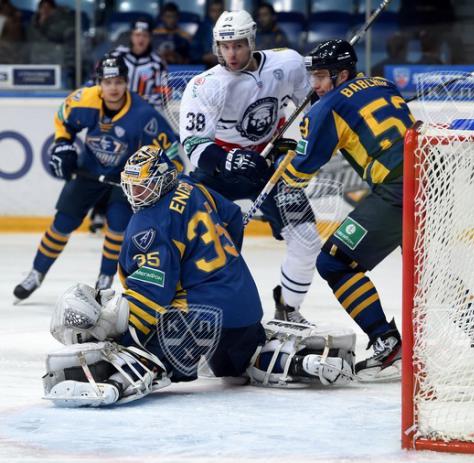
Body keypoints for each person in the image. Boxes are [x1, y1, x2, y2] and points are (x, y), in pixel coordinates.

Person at [41, 146, 355, 407]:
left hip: (199, 318)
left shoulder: (147, 225)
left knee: (146, 353)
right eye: (132, 186)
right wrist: (221, 267)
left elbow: (151, 297)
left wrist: (122, 337)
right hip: (244, 306)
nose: (136, 193)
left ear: (161, 180)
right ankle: (302, 363)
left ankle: (113, 382)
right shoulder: (193, 188)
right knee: (244, 361)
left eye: (143, 185)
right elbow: (232, 216)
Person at [280, 40, 416, 382]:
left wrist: (281, 161)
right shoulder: (383, 84)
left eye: (322, 77)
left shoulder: (328, 107)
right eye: (312, 77)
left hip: (398, 190)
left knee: (334, 261)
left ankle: (387, 342)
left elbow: (302, 170)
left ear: (342, 74)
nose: (316, 85)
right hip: (430, 180)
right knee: (429, 274)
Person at [179, 10, 322, 324]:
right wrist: (231, 159)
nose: (231, 54)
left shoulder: (288, 63)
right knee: (194, 241)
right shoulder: (204, 85)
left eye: (238, 45)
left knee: (307, 238)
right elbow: (194, 145)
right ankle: (192, 312)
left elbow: (313, 107)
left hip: (267, 164)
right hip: (218, 170)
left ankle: (288, 307)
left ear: (252, 40)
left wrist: (296, 142)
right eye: (224, 46)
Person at [13, 53, 179, 302]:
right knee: (62, 223)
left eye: (119, 81)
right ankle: (36, 272)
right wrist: (62, 144)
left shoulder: (144, 115)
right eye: (108, 82)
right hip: (88, 171)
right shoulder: (85, 99)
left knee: (117, 227)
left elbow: (171, 150)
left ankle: (104, 279)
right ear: (99, 82)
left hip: (125, 179)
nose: (113, 88)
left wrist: (154, 177)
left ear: (126, 83)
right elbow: (62, 118)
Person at [88, 18, 172, 234]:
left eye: (144, 35)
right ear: (132, 36)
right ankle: (98, 210)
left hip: (140, 125)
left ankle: (128, 214)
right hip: (113, 119)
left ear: (149, 37)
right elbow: (96, 82)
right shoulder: (117, 56)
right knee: (106, 161)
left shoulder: (157, 63)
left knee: (132, 169)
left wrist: (143, 113)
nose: (140, 39)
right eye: (137, 35)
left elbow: (163, 97)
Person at [190, 0, 224, 68]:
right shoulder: (203, 28)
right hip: (206, 66)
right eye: (214, 11)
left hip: (225, 65)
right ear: (209, 12)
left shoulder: (230, 28)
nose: (217, 14)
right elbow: (193, 51)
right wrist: (203, 57)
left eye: (219, 10)